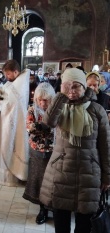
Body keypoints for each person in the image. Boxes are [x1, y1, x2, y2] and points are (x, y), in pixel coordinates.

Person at [39, 68, 110, 233]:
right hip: (62, 170)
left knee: (84, 223)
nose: (72, 90)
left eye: (76, 86)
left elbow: (105, 145)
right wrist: (60, 95)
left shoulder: (96, 110)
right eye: (67, 86)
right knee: (61, 221)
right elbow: (48, 122)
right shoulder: (60, 106)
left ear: (84, 87)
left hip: (88, 172)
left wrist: (107, 175)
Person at [0, 59, 30, 186]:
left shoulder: (20, 83)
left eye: (8, 74)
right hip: (5, 121)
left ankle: (9, 176)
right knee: (2, 143)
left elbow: (14, 103)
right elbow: (6, 92)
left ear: (16, 72)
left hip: (13, 124)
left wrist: (0, 101)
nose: (7, 77)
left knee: (9, 144)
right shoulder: (14, 81)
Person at [22, 83, 56, 225]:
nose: (42, 103)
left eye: (46, 100)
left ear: (51, 99)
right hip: (37, 151)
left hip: (55, 151)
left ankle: (55, 207)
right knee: (40, 181)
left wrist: (41, 127)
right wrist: (45, 127)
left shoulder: (56, 110)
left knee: (53, 182)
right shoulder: (32, 110)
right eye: (39, 100)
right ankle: (43, 210)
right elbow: (30, 127)